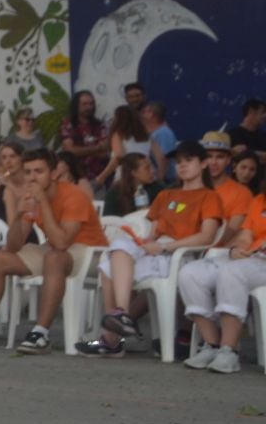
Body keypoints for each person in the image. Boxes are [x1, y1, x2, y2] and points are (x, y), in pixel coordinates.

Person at [0, 149, 106, 353]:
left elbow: (63, 242)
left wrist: (43, 203)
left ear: (53, 173)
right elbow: (13, 246)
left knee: (54, 257)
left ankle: (41, 333)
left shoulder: (74, 196)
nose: (33, 178)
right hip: (54, 250)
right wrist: (20, 215)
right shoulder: (32, 197)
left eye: (39, 171)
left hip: (90, 252)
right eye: (28, 172)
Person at [78, 140, 219, 357]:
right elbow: (153, 231)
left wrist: (165, 247)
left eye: (188, 160)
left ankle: (111, 338)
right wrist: (145, 242)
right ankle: (121, 315)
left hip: (181, 255)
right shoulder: (165, 195)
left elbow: (207, 236)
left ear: (203, 164)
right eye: (178, 162)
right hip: (155, 250)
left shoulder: (210, 196)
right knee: (112, 256)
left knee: (110, 265)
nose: (181, 165)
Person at [180, 187, 266, 373]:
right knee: (191, 273)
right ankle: (212, 345)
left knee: (232, 272)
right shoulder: (260, 200)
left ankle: (229, 351)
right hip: (251, 258)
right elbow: (245, 236)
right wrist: (237, 249)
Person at [202, 132, 253, 242]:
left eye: (219, 157)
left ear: (228, 160)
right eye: (208, 156)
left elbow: (231, 233)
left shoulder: (242, 193)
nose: (213, 162)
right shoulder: (190, 187)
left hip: (215, 253)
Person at [60, 90, 109, 183]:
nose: (89, 107)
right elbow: (70, 151)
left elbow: (105, 153)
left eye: (91, 104)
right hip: (75, 177)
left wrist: (80, 150)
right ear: (76, 105)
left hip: (98, 178)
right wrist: (98, 148)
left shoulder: (100, 125)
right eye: (85, 104)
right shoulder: (68, 125)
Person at [98, 105, 148, 186]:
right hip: (146, 176)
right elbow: (160, 157)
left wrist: (101, 177)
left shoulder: (118, 135)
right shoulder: (145, 136)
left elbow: (119, 156)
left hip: (124, 179)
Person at [101, 151, 158, 219]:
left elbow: (172, 207)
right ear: (134, 173)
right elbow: (109, 220)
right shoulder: (114, 195)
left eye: (151, 166)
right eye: (147, 168)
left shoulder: (156, 188)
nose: (153, 171)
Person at [142, 102, 177, 183]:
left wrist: (159, 179)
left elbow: (165, 158)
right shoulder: (154, 133)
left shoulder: (163, 133)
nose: (142, 114)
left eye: (145, 112)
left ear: (152, 114)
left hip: (168, 180)